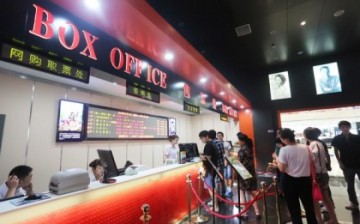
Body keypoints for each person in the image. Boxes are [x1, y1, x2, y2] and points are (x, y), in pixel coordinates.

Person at [277, 128, 317, 224]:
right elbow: (312, 161)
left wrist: (277, 160)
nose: (281, 141)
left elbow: (282, 169)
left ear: (285, 139)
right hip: (305, 181)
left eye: (281, 139)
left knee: (294, 209)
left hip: (290, 182)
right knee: (309, 208)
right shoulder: (306, 147)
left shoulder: (284, 150)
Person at [304, 127, 339, 224]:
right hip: (323, 174)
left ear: (306, 135)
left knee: (315, 199)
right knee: (326, 198)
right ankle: (334, 220)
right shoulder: (319, 143)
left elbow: (312, 158)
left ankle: (320, 220)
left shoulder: (313, 144)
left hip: (317, 174)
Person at [331, 120, 360, 211]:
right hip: (347, 165)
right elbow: (336, 151)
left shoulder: (357, 137)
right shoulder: (336, 139)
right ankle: (354, 203)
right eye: (343, 127)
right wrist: (340, 162)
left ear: (349, 127)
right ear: (340, 128)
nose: (345, 128)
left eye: (347, 126)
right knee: (350, 186)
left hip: (359, 164)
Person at [237, 132, 261, 219]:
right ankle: (257, 212)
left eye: (239, 140)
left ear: (242, 141)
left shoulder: (241, 151)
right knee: (251, 193)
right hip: (251, 173)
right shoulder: (250, 149)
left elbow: (238, 164)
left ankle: (244, 213)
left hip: (243, 173)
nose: (238, 142)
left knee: (242, 193)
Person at [199, 130, 221, 212]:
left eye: (202, 138)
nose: (202, 140)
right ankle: (216, 206)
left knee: (211, 189)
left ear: (206, 136)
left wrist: (201, 157)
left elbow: (208, 158)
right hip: (213, 169)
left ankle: (215, 207)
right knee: (213, 188)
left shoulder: (208, 145)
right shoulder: (214, 143)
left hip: (209, 170)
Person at [209, 130, 225, 196]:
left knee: (214, 181)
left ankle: (216, 196)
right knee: (221, 180)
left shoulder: (210, 144)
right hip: (221, 164)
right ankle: (223, 194)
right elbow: (223, 153)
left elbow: (210, 156)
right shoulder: (220, 142)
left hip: (215, 166)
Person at [217, 131, 233, 197]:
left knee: (229, 176)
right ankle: (226, 190)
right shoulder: (216, 144)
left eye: (220, 135)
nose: (219, 137)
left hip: (228, 161)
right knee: (224, 177)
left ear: (223, 136)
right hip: (221, 162)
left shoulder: (227, 144)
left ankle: (230, 190)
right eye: (218, 136)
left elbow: (230, 152)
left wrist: (229, 160)